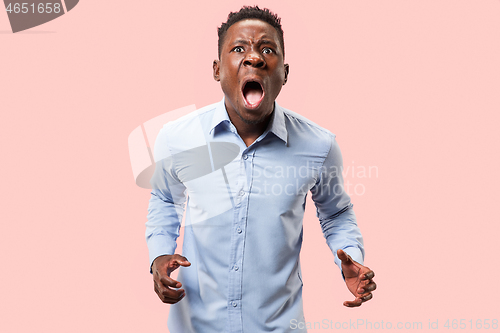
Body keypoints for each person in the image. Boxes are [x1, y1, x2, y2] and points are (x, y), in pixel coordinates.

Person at [146, 6, 376, 333]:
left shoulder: (319, 145)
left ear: (284, 72)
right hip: (197, 325)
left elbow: (337, 213)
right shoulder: (177, 138)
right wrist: (159, 255)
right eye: (239, 49)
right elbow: (166, 200)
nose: (253, 58)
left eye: (267, 50)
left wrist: (348, 258)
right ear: (216, 69)